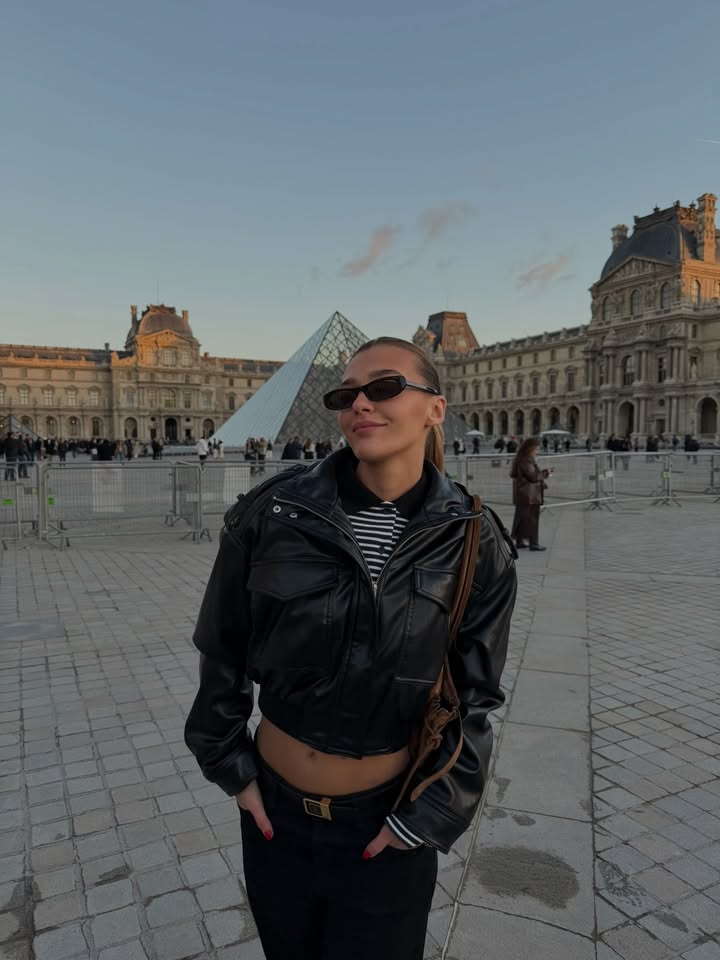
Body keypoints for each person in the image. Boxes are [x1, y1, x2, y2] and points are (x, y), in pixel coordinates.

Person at [185, 336, 517, 960]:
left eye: (384, 387)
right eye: (345, 395)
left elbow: (474, 698)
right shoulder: (274, 512)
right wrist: (230, 766)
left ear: (436, 409)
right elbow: (221, 644)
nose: (360, 403)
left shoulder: (475, 539)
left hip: (386, 824)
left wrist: (425, 818)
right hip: (274, 814)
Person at [510, 437, 550, 551]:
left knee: (522, 518)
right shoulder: (525, 460)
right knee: (532, 519)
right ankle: (534, 543)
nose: (537, 451)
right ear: (530, 449)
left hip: (524, 494)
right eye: (536, 449)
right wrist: (545, 473)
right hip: (529, 494)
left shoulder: (523, 458)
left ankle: (519, 541)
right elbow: (533, 477)